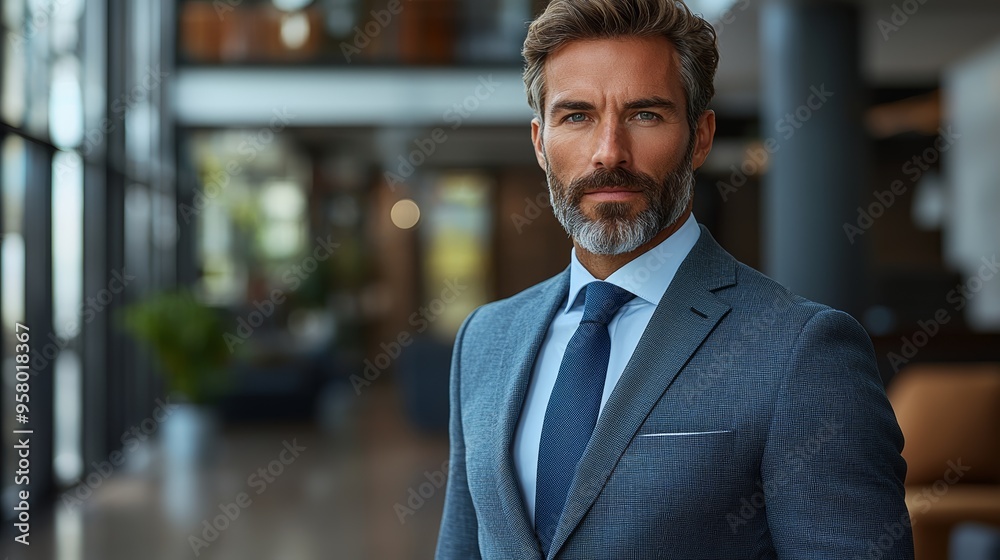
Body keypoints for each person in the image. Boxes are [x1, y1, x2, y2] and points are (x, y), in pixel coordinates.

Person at [435, 1, 914, 558]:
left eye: (645, 114)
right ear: (541, 142)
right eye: (577, 116)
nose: (608, 152)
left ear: (701, 137)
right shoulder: (484, 339)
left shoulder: (803, 350)